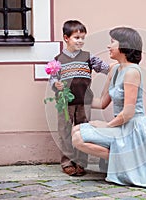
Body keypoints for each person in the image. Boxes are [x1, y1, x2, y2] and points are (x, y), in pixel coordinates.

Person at [71, 27, 146, 187]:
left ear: (124, 46)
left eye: (112, 42)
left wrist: (105, 126)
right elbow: (102, 102)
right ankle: (128, 160)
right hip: (120, 126)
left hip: (133, 129)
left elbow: (128, 113)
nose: (109, 46)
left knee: (78, 138)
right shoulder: (115, 69)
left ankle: (131, 161)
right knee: (76, 130)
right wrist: (74, 97)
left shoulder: (132, 72)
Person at [49, 20, 109, 176]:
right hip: (65, 102)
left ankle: (81, 162)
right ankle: (67, 162)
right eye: (76, 37)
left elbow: (105, 68)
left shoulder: (88, 57)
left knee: (83, 131)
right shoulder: (58, 60)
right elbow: (52, 79)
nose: (80, 41)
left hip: (84, 101)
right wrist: (57, 84)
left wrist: (119, 67)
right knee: (65, 131)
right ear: (66, 38)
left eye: (82, 37)